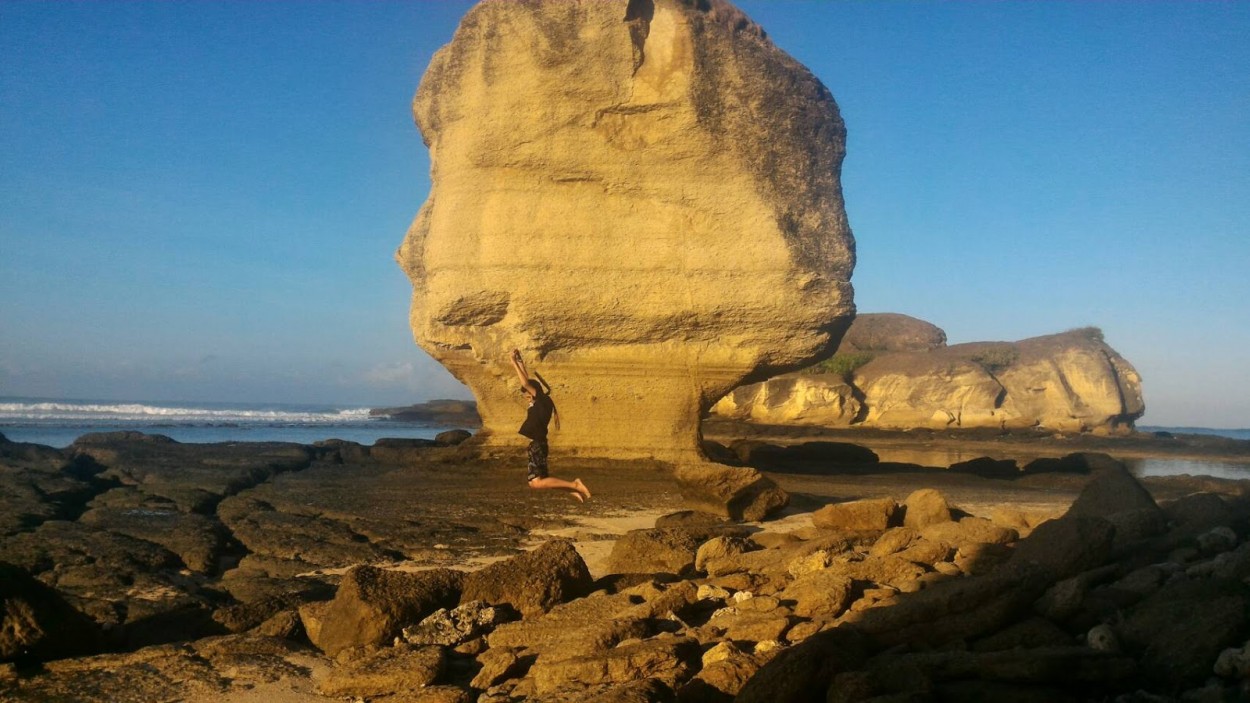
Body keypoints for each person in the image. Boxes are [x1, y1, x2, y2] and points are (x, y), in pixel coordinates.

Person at [509, 349, 591, 502]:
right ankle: (571, 490)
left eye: (528, 396)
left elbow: (526, 383)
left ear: (534, 392)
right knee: (536, 482)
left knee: (536, 482)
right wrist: (520, 361)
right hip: (538, 444)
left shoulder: (541, 400)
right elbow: (527, 383)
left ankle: (574, 484)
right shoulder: (542, 401)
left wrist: (513, 362)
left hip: (538, 445)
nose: (527, 399)